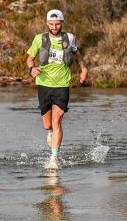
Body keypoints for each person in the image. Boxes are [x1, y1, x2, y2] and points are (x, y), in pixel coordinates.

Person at [26, 9, 88, 170]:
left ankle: (54, 158)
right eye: (51, 24)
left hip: (62, 84)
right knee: (48, 125)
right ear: (47, 24)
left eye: (57, 24)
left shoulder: (69, 38)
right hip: (44, 83)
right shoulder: (39, 39)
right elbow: (29, 58)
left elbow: (76, 54)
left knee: (57, 120)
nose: (54, 27)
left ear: (62, 23)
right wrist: (32, 68)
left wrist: (83, 69)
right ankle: (50, 133)